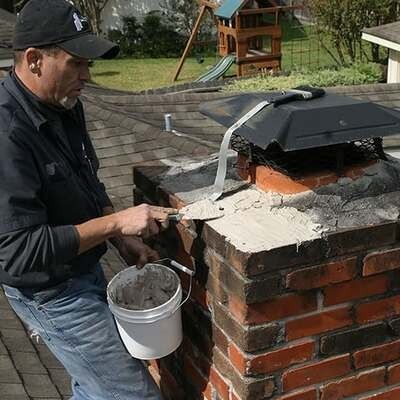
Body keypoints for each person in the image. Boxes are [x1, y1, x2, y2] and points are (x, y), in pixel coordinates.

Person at [0, 0, 175, 398]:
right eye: (76, 63)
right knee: (134, 394)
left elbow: (87, 180)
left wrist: (122, 238)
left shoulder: (64, 103)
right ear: (34, 60)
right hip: (51, 294)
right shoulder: (8, 135)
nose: (87, 75)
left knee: (93, 384)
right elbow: (18, 251)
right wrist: (116, 224)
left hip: (81, 273)